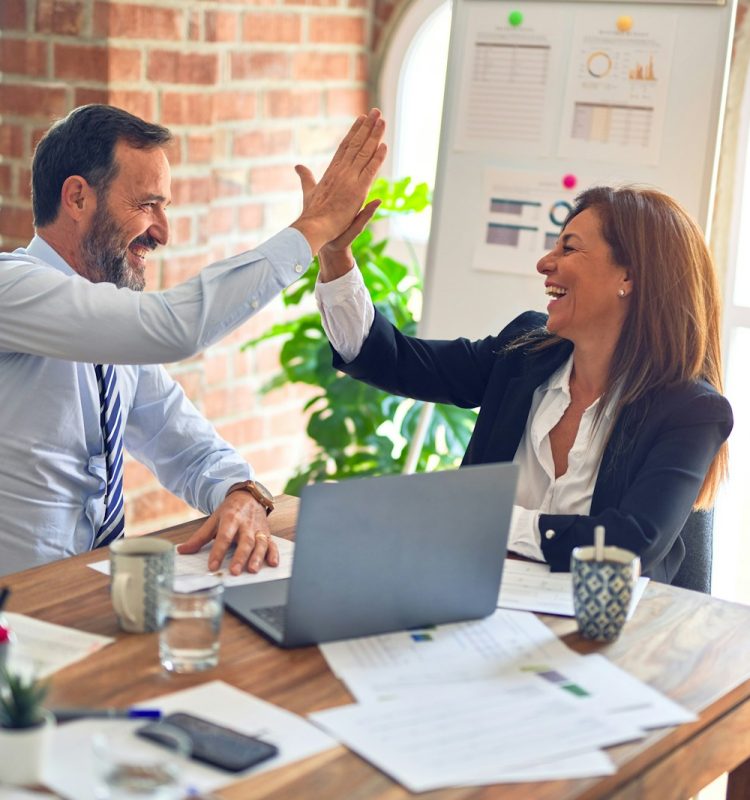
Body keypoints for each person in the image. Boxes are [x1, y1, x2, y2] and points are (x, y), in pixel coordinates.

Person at [0, 103, 386, 578]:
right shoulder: (10, 289)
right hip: (18, 610)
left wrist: (241, 493)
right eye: (146, 205)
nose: (163, 231)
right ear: (77, 198)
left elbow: (186, 447)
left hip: (88, 595)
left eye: (165, 207)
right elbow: (173, 328)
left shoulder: (111, 333)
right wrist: (313, 229)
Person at [314, 185, 733, 583]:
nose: (545, 263)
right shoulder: (524, 352)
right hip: (478, 603)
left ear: (629, 277)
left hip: (610, 635)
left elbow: (628, 546)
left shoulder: (691, 411)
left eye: (568, 248)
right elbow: (393, 360)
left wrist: (486, 520)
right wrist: (335, 255)